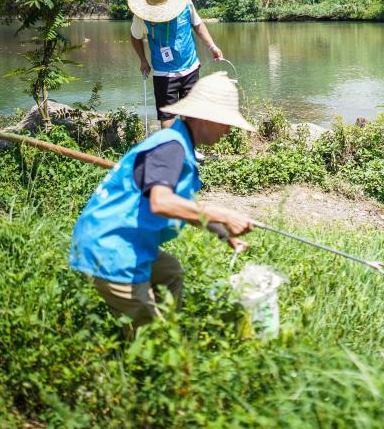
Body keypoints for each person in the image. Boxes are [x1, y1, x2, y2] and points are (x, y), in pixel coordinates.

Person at [69, 72, 255, 328]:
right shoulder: (171, 147)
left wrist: (223, 233)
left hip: (122, 239)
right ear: (205, 118)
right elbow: (162, 203)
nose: (229, 129)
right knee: (150, 337)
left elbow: (181, 206)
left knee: (170, 273)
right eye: (225, 122)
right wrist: (222, 214)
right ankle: (152, 348)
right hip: (109, 246)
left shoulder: (180, 142)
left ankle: (168, 328)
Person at [128, 0, 223, 128]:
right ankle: (170, 149)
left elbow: (198, 25)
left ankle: (188, 149)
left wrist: (212, 46)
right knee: (167, 116)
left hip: (190, 66)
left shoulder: (184, 3)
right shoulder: (141, 17)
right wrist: (143, 60)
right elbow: (135, 37)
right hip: (163, 72)